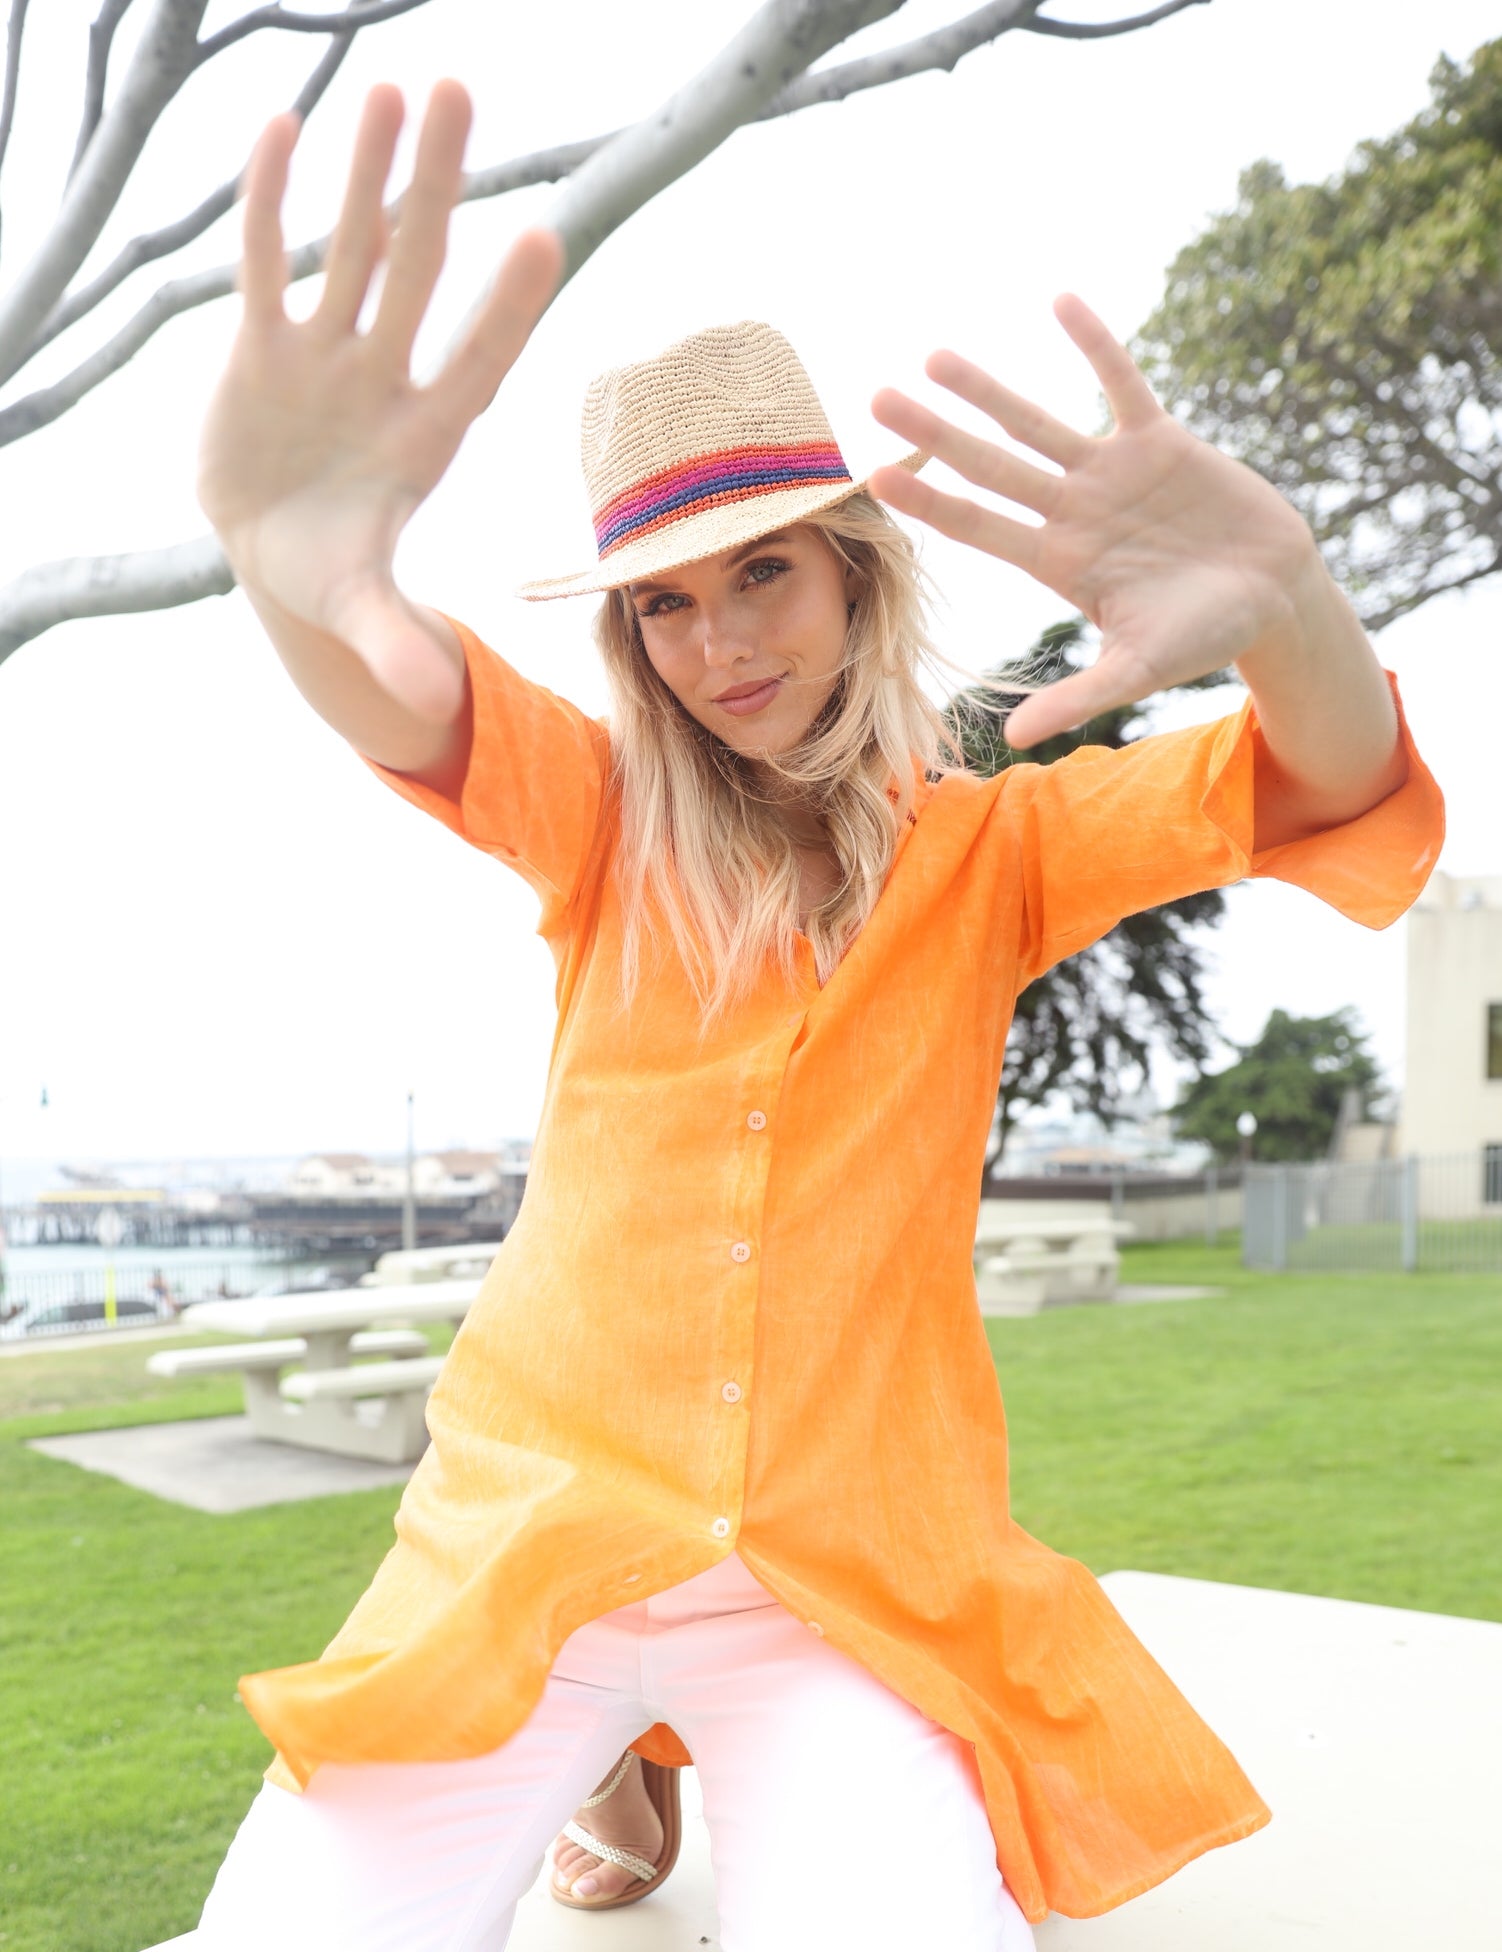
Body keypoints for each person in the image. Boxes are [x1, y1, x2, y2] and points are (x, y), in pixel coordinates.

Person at [186, 78, 1442, 1952]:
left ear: (852, 566)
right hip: (527, 1546)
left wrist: (1286, 603)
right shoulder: (603, 814)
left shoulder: (995, 851)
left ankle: (645, 1753)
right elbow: (407, 692)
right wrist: (290, 572)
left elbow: (1326, 782)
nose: (720, 646)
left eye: (761, 570)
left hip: (836, 1587)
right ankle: (617, 1756)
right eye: (664, 606)